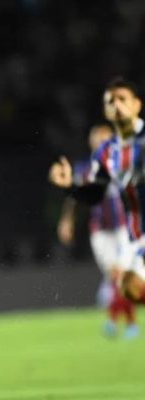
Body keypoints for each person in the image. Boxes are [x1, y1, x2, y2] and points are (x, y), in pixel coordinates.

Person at [50, 77, 145, 312]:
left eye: (122, 99)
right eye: (110, 101)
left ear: (137, 105)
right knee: (129, 287)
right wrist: (70, 186)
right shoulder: (106, 152)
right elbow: (94, 194)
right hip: (137, 236)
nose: (117, 105)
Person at [55, 124, 137, 339]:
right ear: (92, 143)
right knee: (115, 278)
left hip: (123, 227)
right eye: (99, 140)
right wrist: (67, 220)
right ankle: (121, 322)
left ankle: (122, 323)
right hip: (100, 230)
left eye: (107, 139)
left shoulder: (123, 163)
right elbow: (75, 197)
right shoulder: (85, 168)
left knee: (121, 275)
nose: (103, 143)